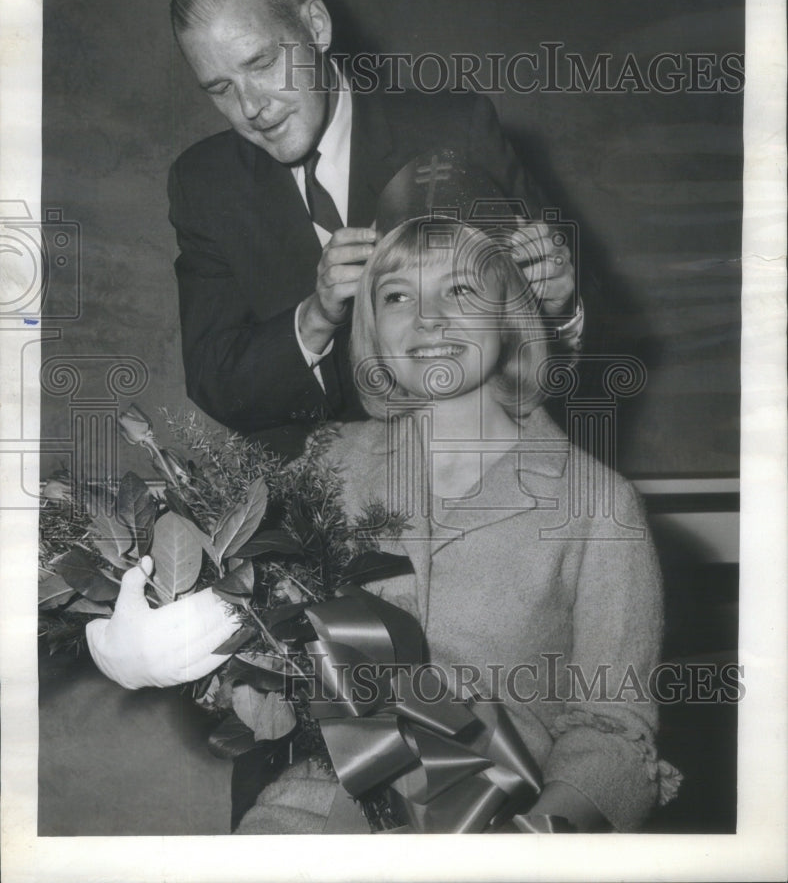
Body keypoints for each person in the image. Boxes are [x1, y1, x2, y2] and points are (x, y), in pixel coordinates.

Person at [90, 215, 679, 831]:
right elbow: (258, 653)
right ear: (372, 327)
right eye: (397, 295)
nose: (427, 317)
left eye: (460, 289)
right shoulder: (328, 465)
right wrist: (179, 652)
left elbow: (615, 732)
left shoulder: (600, 505)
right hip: (306, 820)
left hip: (503, 824)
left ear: (510, 314)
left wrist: (539, 842)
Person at [167, 0, 580, 441]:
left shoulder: (455, 130)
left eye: (261, 63)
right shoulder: (204, 183)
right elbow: (216, 380)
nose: (251, 106)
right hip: (303, 504)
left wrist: (561, 304)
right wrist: (315, 317)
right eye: (220, 88)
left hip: (464, 476)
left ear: (316, 26)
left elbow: (560, 341)